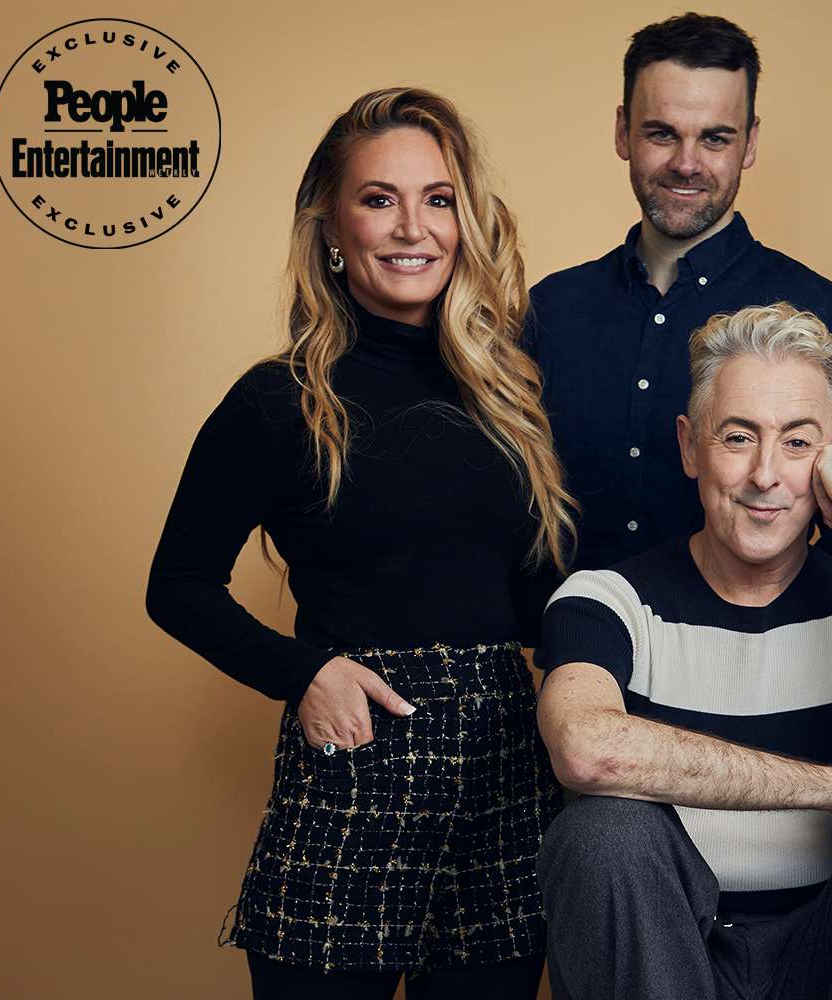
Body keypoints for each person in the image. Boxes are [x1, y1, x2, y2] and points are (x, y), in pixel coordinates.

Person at [145, 88, 573, 999]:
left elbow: (539, 599)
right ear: (332, 228)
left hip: (503, 773)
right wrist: (305, 672)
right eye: (379, 199)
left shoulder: (511, 394)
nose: (413, 226)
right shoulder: (277, 400)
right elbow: (176, 583)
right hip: (355, 757)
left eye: (439, 198)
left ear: (465, 220)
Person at [534, 303, 832, 1000]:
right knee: (604, 833)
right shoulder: (607, 600)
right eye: (737, 437)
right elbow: (586, 749)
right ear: (691, 446)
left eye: (797, 443)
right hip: (670, 955)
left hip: (828, 957)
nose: (764, 475)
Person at [526, 12, 832, 571]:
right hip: (565, 653)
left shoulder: (827, 316)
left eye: (715, 138)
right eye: (661, 133)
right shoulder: (549, 311)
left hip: (765, 653)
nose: (686, 164)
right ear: (623, 131)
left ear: (749, 143)